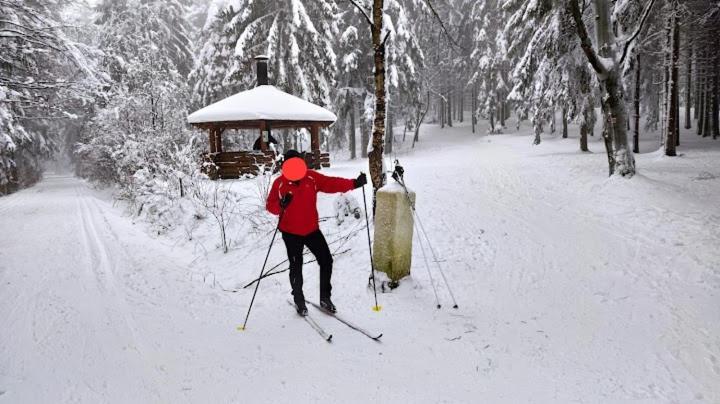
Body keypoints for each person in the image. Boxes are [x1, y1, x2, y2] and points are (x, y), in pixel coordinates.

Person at [266, 150, 367, 316]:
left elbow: (331, 183)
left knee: (326, 260)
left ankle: (325, 298)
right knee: (296, 266)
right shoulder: (280, 183)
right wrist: (281, 205)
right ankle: (299, 299)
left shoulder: (311, 177)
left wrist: (354, 183)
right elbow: (271, 206)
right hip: (290, 232)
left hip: (311, 230)